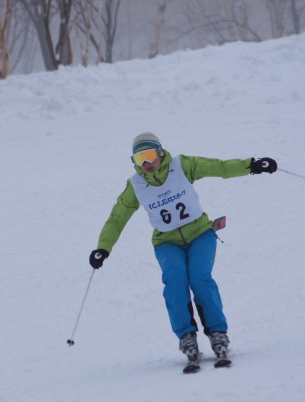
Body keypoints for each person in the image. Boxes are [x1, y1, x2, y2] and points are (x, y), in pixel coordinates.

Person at [89, 132, 277, 368]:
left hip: (200, 234)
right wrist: (103, 248)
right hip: (166, 243)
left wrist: (251, 166)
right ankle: (187, 337)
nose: (146, 164)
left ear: (160, 152)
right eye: (139, 159)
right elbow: (117, 217)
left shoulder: (182, 165)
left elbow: (218, 168)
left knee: (199, 277)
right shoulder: (136, 185)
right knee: (175, 281)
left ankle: (218, 334)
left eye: (149, 156)